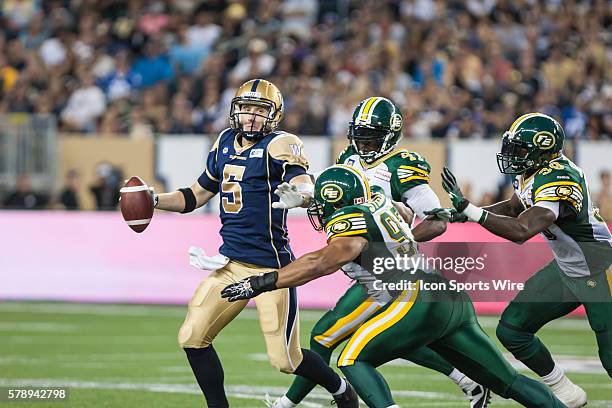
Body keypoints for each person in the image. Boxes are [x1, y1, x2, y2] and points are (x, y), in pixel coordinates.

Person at [221, 164, 567, 408]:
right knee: (508, 381)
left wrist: (264, 281)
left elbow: (323, 261)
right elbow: (391, 212)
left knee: (353, 359)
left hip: (412, 297)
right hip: (445, 295)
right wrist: (313, 198)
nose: (321, 212)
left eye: (324, 205)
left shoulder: (348, 219)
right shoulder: (379, 201)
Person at [136, 79, 358, 407]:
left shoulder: (281, 143)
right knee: (192, 337)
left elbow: (302, 180)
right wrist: (153, 200)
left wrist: (302, 193)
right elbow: (195, 195)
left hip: (272, 268)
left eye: (260, 110)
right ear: (234, 110)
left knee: (286, 360)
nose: (251, 116)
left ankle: (340, 388)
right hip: (231, 263)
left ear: (274, 115)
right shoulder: (224, 141)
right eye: (245, 109)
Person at [270, 97, 489, 408]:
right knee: (395, 339)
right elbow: (335, 199)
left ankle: (289, 404)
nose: (362, 140)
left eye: (371, 133)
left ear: (390, 134)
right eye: (359, 132)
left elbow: (437, 222)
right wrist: (306, 199)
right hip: (366, 269)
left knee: (324, 336)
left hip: (391, 271)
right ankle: (468, 380)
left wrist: (396, 243)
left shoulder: (403, 166)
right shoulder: (349, 158)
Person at [426, 112, 612, 407]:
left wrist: (473, 211)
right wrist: (465, 213)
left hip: (601, 269)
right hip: (570, 268)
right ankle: (566, 392)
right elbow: (515, 208)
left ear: (543, 148)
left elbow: (523, 230)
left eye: (521, 149)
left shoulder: (560, 178)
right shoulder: (533, 173)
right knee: (512, 329)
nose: (514, 155)